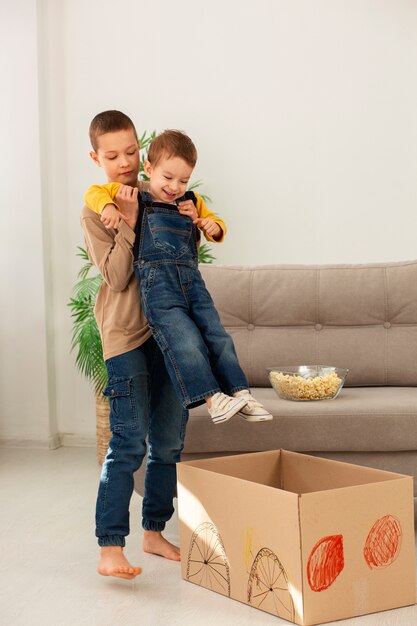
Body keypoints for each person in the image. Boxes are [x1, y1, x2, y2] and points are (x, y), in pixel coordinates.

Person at [84, 129, 273, 424]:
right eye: (168, 178)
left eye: (183, 180)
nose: (175, 187)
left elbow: (215, 223)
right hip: (159, 286)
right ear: (150, 169)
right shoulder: (136, 197)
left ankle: (240, 392)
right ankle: (213, 398)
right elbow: (93, 193)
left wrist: (209, 225)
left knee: (217, 335)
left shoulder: (188, 200)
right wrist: (110, 207)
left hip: (191, 283)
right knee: (185, 340)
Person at [81, 110, 188, 580]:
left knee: (168, 442)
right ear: (96, 157)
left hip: (168, 333)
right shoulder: (95, 208)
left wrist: (189, 217)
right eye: (112, 155)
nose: (124, 162)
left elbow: (177, 257)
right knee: (127, 442)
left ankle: (153, 532)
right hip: (125, 336)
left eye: (131, 152)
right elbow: (118, 276)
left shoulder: (158, 194)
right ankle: (110, 547)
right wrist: (126, 221)